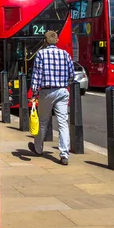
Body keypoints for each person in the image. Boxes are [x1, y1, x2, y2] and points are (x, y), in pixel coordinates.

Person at [28, 30, 75, 165]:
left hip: (47, 92)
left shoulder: (41, 54)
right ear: (57, 41)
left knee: (43, 121)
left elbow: (37, 76)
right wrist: (65, 84)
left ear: (45, 41)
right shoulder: (65, 54)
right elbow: (71, 74)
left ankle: (37, 148)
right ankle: (64, 154)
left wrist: (34, 94)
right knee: (63, 123)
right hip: (62, 90)